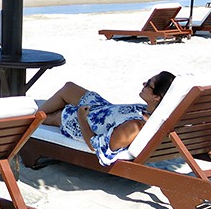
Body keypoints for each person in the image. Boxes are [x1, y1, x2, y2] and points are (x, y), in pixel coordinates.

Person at [39, 70, 175, 166]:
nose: (143, 83)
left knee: (54, 116)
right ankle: (33, 114)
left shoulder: (134, 127)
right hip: (102, 109)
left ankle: (29, 120)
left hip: (86, 122)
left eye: (148, 84)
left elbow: (95, 146)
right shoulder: (151, 113)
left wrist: (81, 118)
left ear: (156, 97)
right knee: (69, 88)